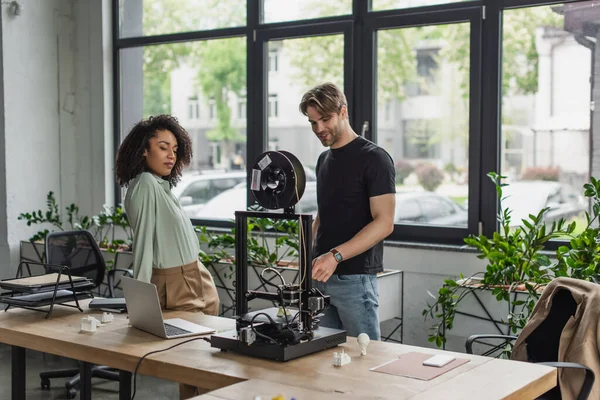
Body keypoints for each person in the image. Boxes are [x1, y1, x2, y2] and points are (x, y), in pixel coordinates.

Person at [115, 114, 219, 399]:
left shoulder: (161, 185)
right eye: (163, 147)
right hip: (177, 285)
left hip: (196, 277)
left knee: (202, 367)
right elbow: (144, 245)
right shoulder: (146, 184)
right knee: (198, 367)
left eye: (174, 149)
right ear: (143, 150)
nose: (171, 155)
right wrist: (139, 304)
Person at [299, 83, 396, 340]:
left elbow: (384, 223)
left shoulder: (374, 158)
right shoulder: (324, 160)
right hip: (320, 278)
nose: (319, 129)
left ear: (343, 112)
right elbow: (324, 215)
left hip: (354, 280)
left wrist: (335, 256)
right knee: (323, 358)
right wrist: (307, 256)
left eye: (325, 119)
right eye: (313, 122)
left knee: (365, 360)